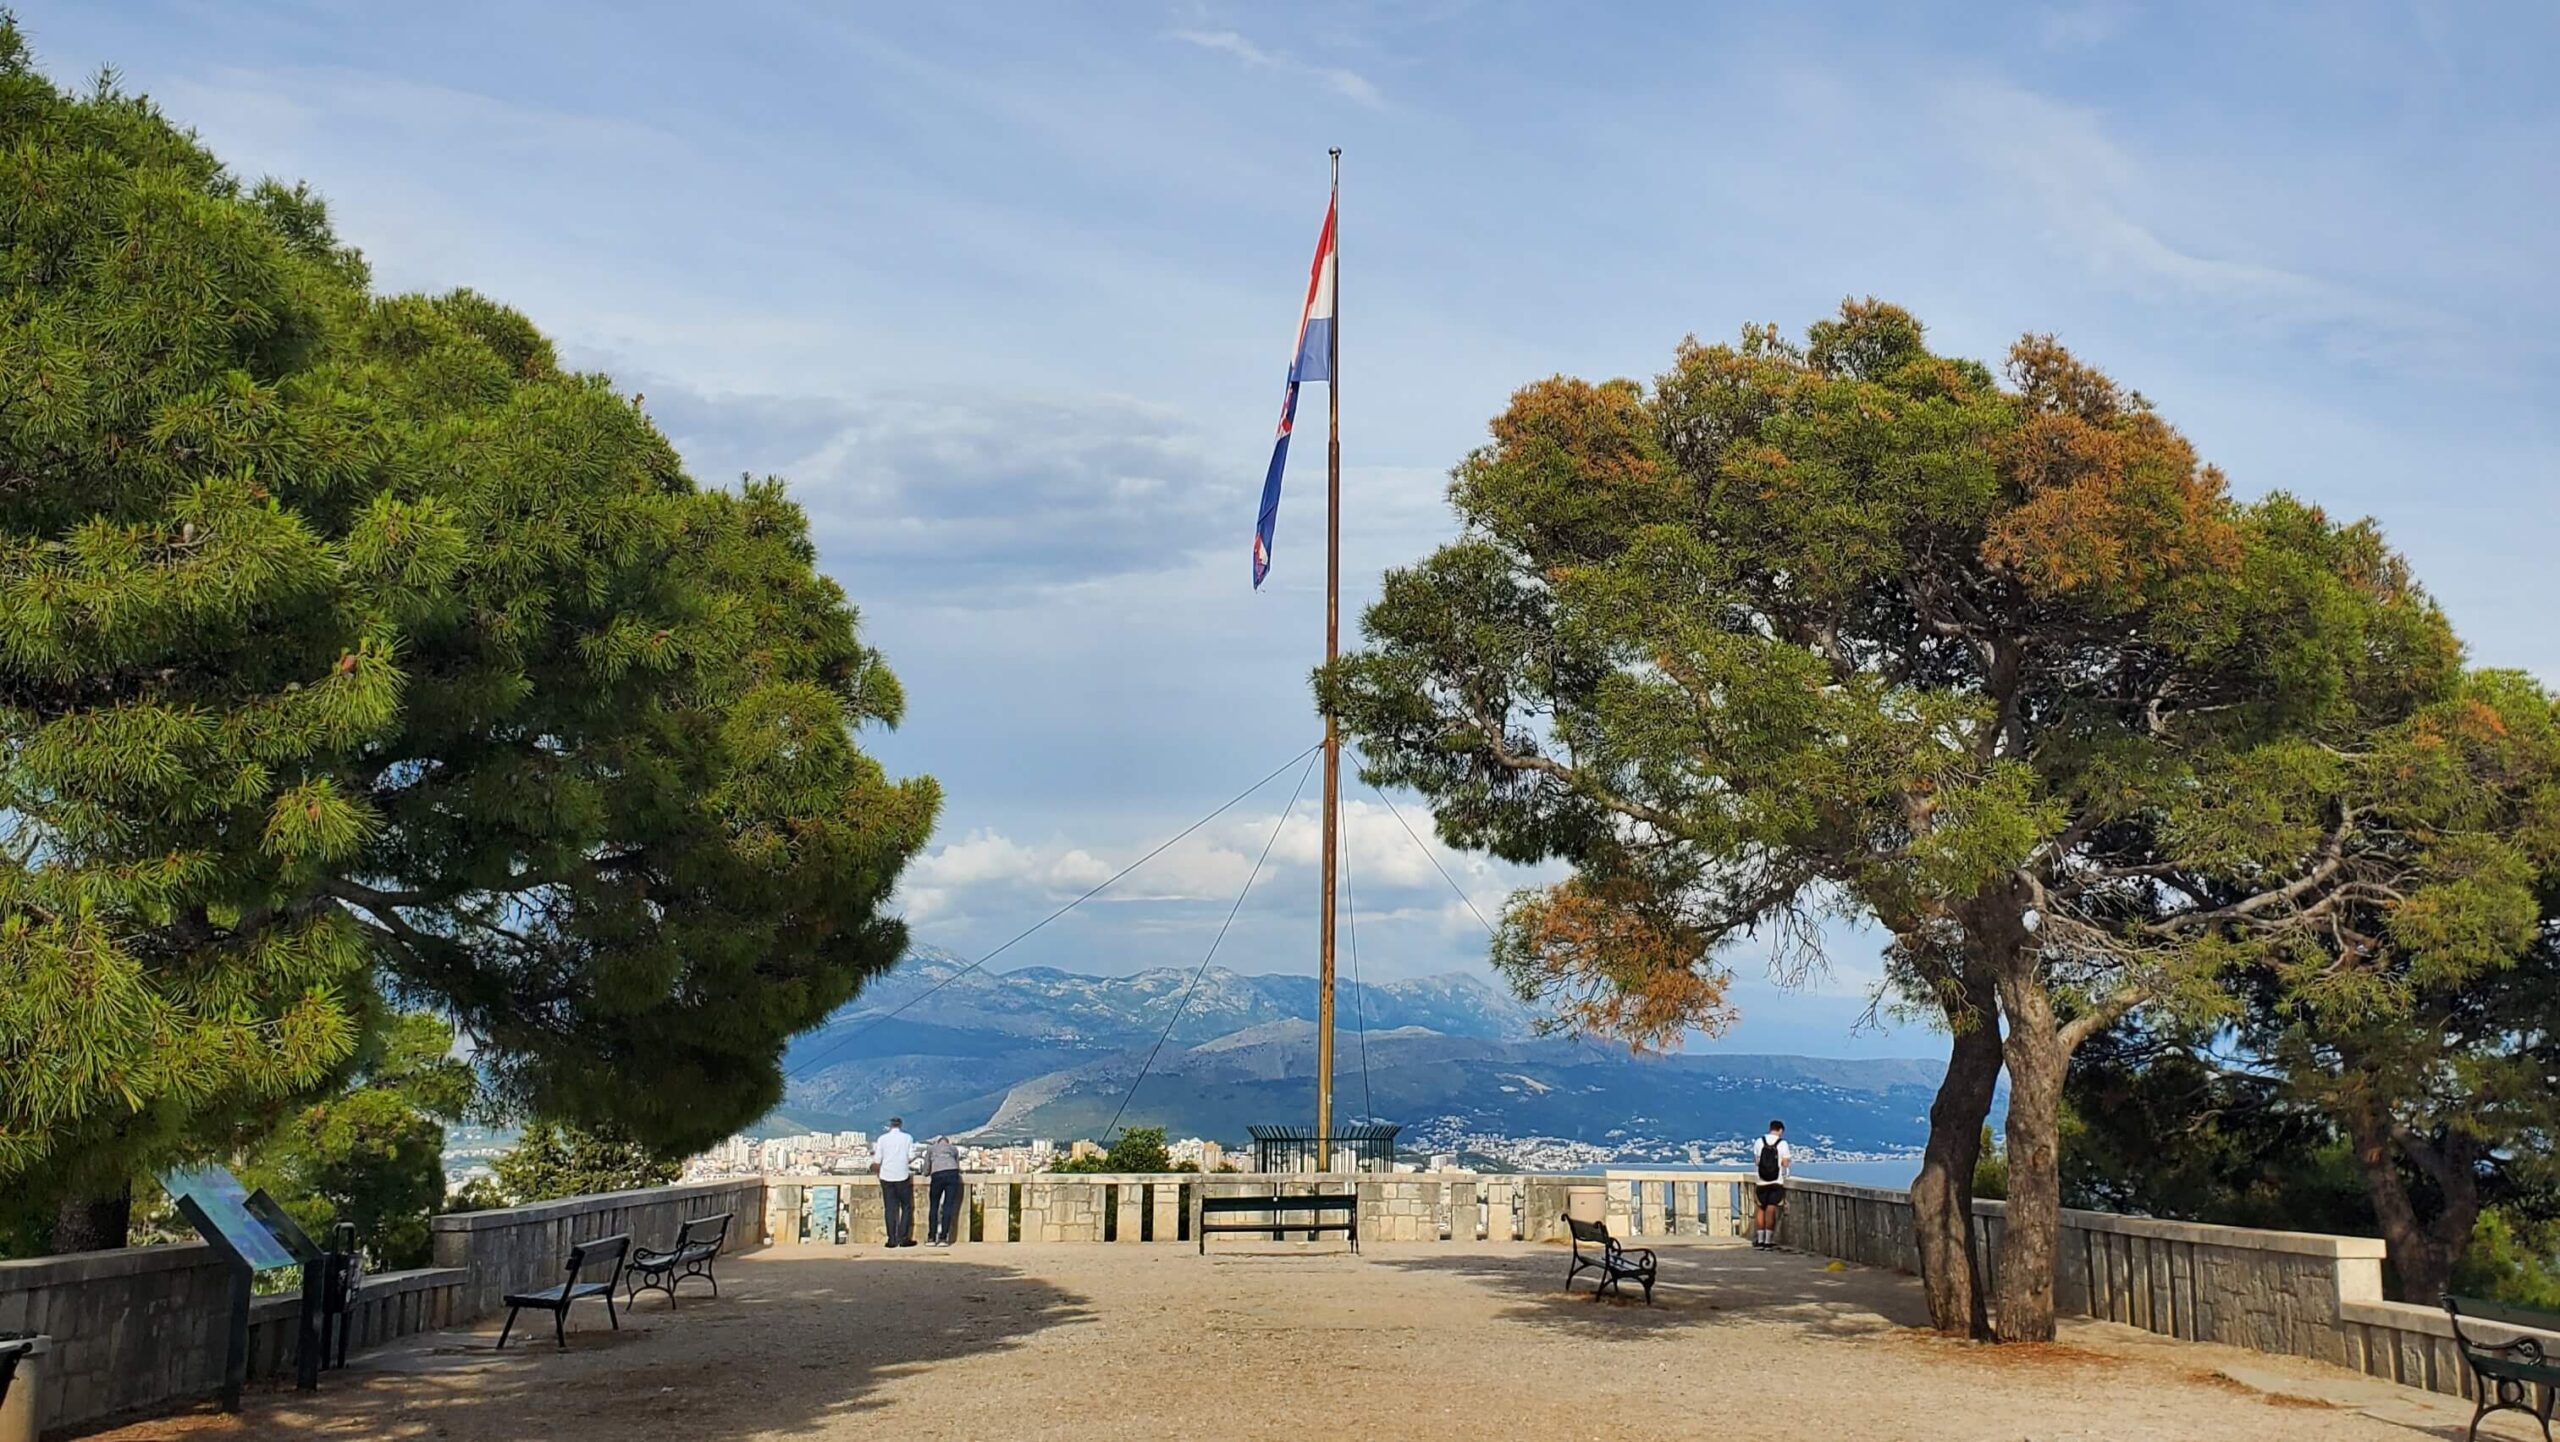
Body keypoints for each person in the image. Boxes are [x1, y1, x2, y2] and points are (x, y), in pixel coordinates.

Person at [874, 1117, 917, 1248]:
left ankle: (891, 1239)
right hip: (902, 1175)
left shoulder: (882, 1139)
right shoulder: (907, 1138)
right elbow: (911, 1156)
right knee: (906, 1207)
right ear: (900, 1125)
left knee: (889, 1208)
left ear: (890, 1126)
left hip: (886, 1175)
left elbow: (877, 1158)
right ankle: (903, 1238)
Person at [1751, 1119, 1790, 1250]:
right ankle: (1768, 1240)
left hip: (1761, 1181)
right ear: (1780, 1130)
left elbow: (1757, 1161)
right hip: (1776, 1181)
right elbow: (1785, 1163)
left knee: (1761, 1208)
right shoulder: (1782, 1143)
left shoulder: (1759, 1141)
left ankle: (1760, 1239)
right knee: (1771, 1208)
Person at [923, 1133, 964, 1246]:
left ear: (938, 1142)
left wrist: (926, 1173)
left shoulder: (931, 1149)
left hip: (937, 1175)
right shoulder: (954, 1149)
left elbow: (926, 1167)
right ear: (947, 1142)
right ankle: (943, 1238)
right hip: (952, 1174)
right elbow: (957, 1164)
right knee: (948, 1206)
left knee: (934, 1206)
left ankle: (931, 1237)